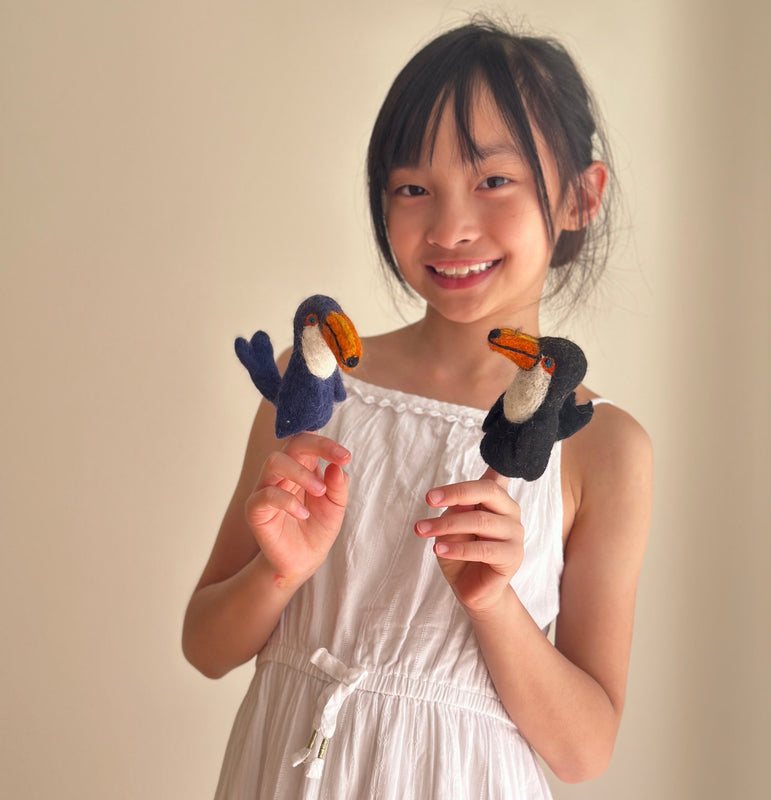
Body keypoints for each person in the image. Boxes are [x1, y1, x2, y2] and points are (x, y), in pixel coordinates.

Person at [183, 18, 652, 800]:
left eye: (494, 181)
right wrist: (281, 571)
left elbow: (583, 750)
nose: (450, 227)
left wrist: (494, 602)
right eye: (412, 188)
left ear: (580, 195)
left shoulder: (603, 448)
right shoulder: (316, 380)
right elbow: (205, 643)